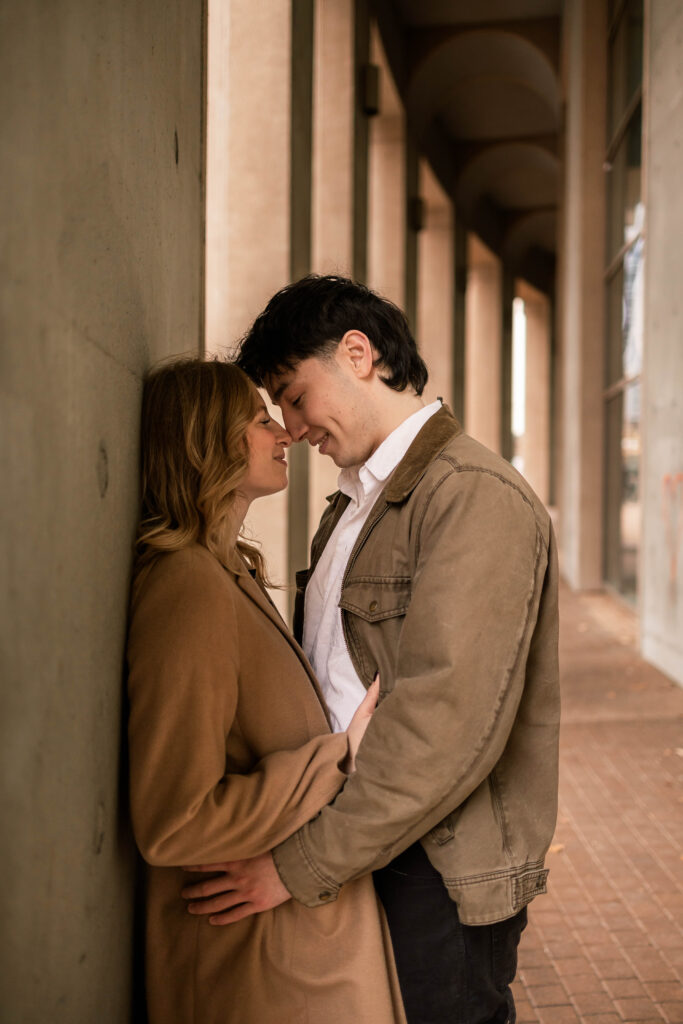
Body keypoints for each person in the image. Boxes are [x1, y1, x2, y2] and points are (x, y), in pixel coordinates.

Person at [182, 276, 561, 1024]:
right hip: (362, 844)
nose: (289, 426)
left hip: (431, 868)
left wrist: (298, 867)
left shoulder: (470, 496)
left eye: (293, 395)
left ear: (357, 353)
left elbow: (441, 728)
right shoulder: (354, 502)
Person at [126, 358, 405, 1024]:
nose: (283, 431)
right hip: (255, 965)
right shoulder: (187, 588)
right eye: (257, 419)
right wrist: (338, 757)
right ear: (205, 441)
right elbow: (176, 822)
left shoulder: (228, 573)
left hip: (290, 945)